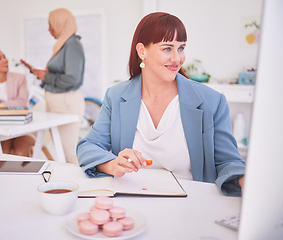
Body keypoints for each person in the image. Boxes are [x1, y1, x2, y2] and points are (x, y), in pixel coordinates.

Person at [76, 12, 245, 196]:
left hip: (191, 206)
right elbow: (88, 146)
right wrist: (112, 165)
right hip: (130, 205)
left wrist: (244, 180)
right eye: (167, 49)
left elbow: (228, 162)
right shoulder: (116, 97)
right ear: (142, 51)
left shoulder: (211, 102)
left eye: (181, 48)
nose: (177, 58)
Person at [20, 8, 85, 164]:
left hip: (66, 103)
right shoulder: (62, 45)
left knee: (70, 152)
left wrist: (46, 76)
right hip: (56, 102)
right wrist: (43, 74)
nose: (49, 29)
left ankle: (82, 186)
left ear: (60, 23)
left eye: (51, 25)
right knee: (45, 144)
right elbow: (62, 74)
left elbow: (72, 79)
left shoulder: (72, 44)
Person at [0, 48, 35, 157]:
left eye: (4, 57)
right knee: (2, 156)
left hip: (23, 128)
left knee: (20, 154)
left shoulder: (19, 78)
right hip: (1, 129)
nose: (5, 60)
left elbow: (22, 102)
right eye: (0, 58)